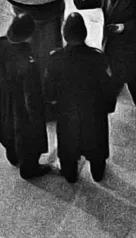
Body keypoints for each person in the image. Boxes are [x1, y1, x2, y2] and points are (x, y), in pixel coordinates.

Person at [73, 0, 136, 120]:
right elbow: (98, 0)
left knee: (135, 78)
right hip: (110, 42)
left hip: (130, 46)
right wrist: (81, 4)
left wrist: (123, 27)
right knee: (112, 71)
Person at [45, 12, 116, 183]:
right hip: (93, 112)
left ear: (65, 35)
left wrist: (54, 106)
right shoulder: (97, 57)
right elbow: (108, 87)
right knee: (96, 144)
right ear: (84, 34)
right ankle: (97, 173)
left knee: (68, 146)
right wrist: (108, 107)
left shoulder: (55, 59)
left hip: (67, 113)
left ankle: (70, 174)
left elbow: (49, 89)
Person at [0, 14, 50, 180]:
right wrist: (37, 116)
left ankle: (12, 155)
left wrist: (1, 89)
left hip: (5, 97)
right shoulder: (28, 61)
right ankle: (29, 168)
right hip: (22, 108)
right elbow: (31, 95)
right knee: (27, 140)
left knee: (7, 130)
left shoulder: (1, 43)